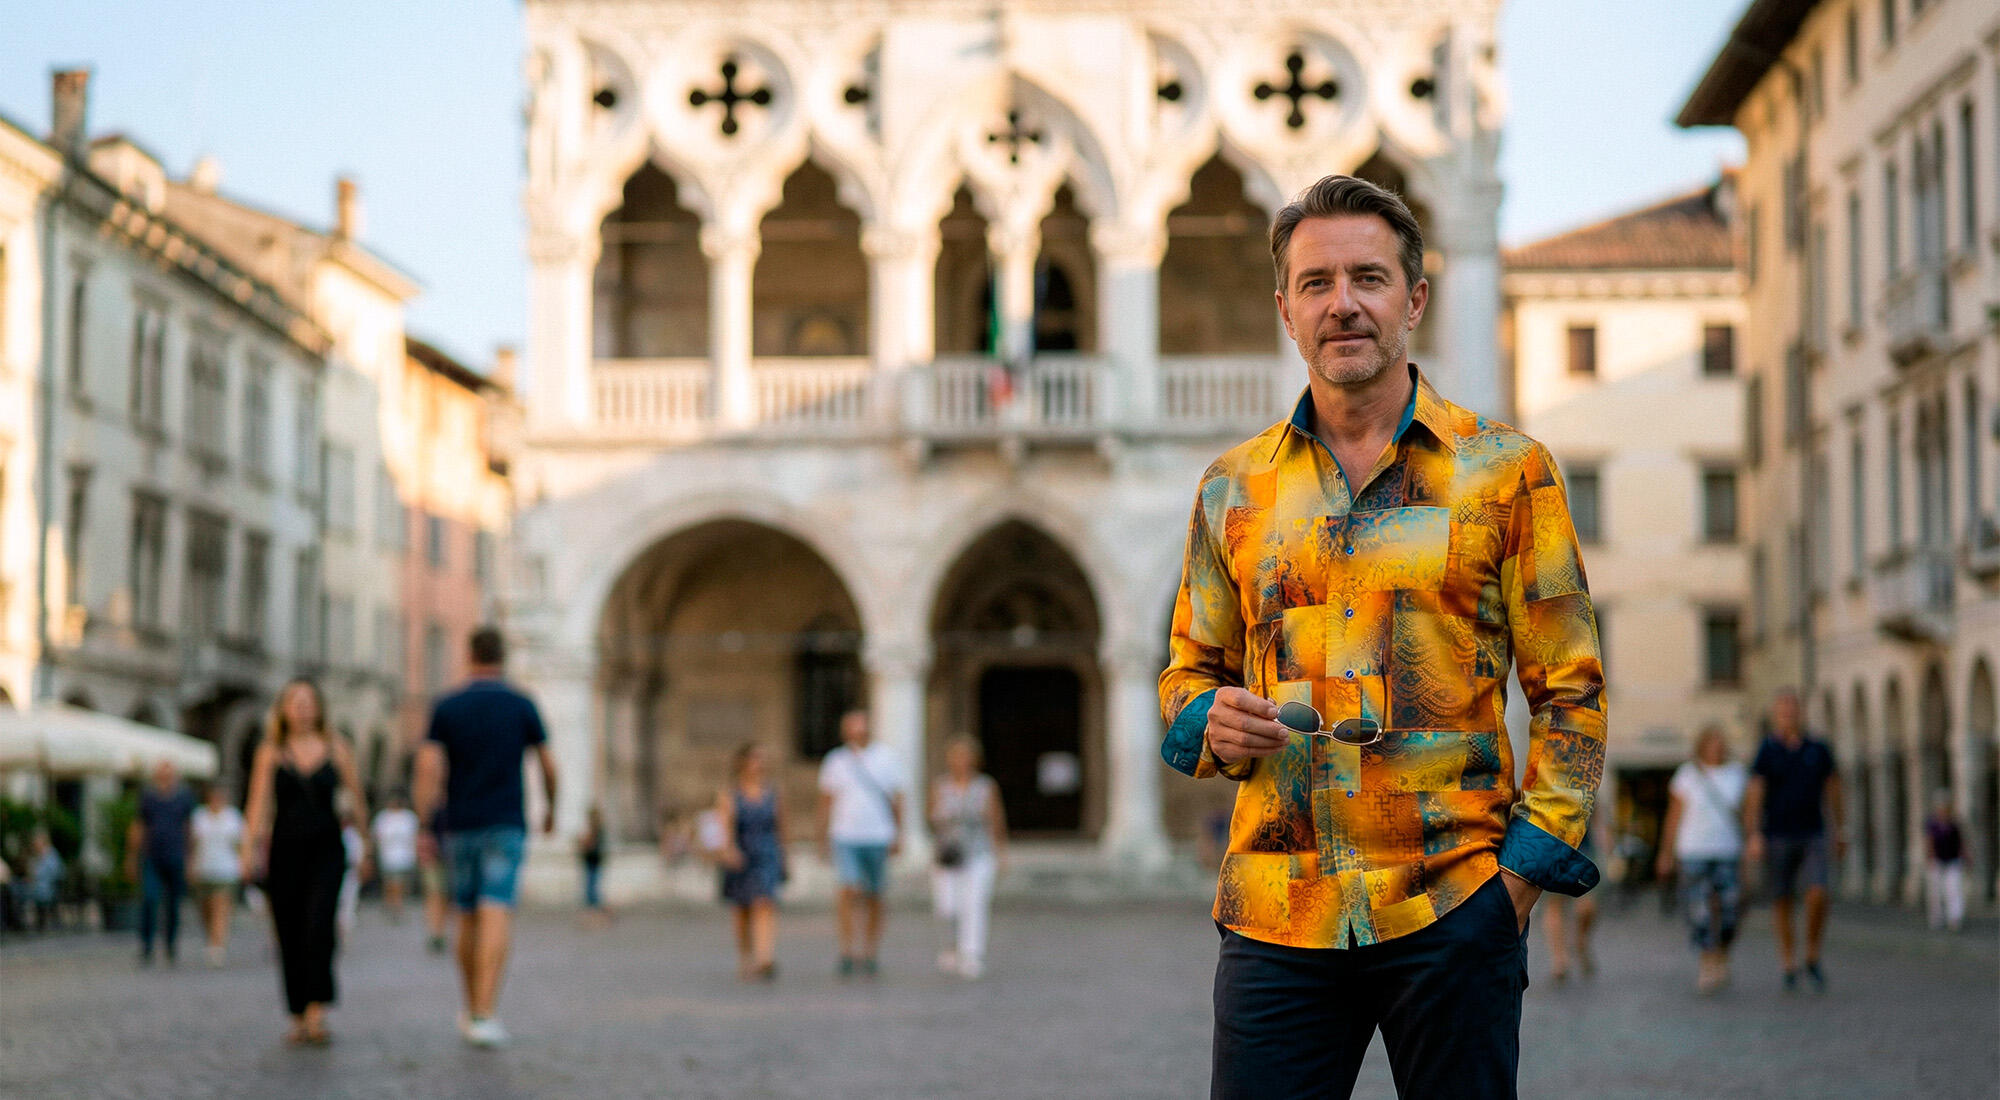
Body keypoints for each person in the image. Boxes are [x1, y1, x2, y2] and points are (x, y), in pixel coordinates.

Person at [1158, 174, 1607, 1100]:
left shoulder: (1507, 474)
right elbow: (1185, 676)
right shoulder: (1230, 489)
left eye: (1368, 277)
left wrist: (1515, 884)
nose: (1344, 304)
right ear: (1285, 310)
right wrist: (1205, 721)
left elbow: (1571, 691)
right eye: (1317, 284)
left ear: (1415, 298)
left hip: (1453, 906)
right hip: (1277, 912)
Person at [415, 625, 558, 1049]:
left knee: (467, 915)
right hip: (505, 821)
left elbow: (428, 769)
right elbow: (548, 765)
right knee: (497, 910)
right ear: (503, 657)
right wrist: (551, 807)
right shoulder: (521, 704)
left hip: (460, 823)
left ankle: (470, 1007)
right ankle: (486, 1011)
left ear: (469, 654)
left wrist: (426, 824)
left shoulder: (447, 706)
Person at [239, 679, 369, 1045]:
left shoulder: (337, 748)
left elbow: (357, 799)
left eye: (309, 701)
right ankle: (297, 1013)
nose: (302, 708)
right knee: (289, 931)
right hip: (285, 850)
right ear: (282, 708)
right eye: (295, 701)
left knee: (319, 927)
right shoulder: (270, 751)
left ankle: (317, 1011)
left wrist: (367, 845)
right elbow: (257, 804)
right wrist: (247, 851)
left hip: (327, 849)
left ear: (319, 707)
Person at [1742, 690, 1844, 993]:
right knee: (1782, 898)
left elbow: (1834, 789)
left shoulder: (1818, 748)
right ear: (1776, 713)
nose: (1788, 713)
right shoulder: (1767, 749)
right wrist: (1754, 834)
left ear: (1800, 712)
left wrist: (1841, 829)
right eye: (1782, 708)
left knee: (1818, 892)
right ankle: (1788, 960)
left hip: (1813, 831)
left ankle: (1812, 953)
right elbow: (1755, 794)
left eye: (1792, 708)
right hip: (1777, 834)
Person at [1656, 726, 1748, 994]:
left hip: (1727, 850)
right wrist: (1666, 853)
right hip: (1693, 850)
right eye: (1711, 742)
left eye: (1720, 742)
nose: (1716, 747)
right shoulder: (1687, 775)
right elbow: (1674, 817)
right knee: (1700, 911)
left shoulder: (1737, 774)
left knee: (1731, 907)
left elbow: (1747, 814)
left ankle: (1722, 953)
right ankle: (1708, 963)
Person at [817, 709, 904, 978]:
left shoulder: (887, 758)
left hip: (878, 835)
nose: (857, 731)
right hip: (845, 835)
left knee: (875, 894)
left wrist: (899, 833)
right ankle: (847, 949)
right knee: (848, 889)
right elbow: (826, 801)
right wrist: (822, 837)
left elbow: (898, 798)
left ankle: (870, 949)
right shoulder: (835, 761)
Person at [929, 735, 1006, 980]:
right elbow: (931, 817)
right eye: (957, 756)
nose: (962, 762)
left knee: (974, 903)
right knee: (948, 906)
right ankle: (951, 945)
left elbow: (995, 820)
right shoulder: (940, 786)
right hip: (948, 853)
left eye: (966, 756)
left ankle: (971, 952)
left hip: (978, 852)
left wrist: (1000, 851)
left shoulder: (985, 786)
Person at [717, 743, 785, 980]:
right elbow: (725, 826)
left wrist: (786, 855)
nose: (760, 764)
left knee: (765, 903)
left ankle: (765, 956)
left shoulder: (772, 793)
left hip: (766, 853)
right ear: (743, 763)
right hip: (742, 853)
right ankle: (746, 957)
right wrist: (728, 850)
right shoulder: (731, 795)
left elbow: (781, 826)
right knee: (742, 910)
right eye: (755, 759)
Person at [129, 760, 196, 965]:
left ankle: (170, 944)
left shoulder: (184, 797)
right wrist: (132, 856)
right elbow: (139, 825)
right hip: (152, 856)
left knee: (173, 903)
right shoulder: (148, 797)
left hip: (176, 855)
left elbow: (189, 828)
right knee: (149, 898)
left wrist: (191, 858)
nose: (165, 775)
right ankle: (147, 944)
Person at [189, 783, 245, 965]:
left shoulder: (233, 817)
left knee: (220, 906)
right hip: (203, 868)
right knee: (206, 909)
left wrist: (243, 863)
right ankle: (211, 937)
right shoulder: (200, 816)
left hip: (226, 869)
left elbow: (240, 844)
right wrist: (190, 865)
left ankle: (217, 945)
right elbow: (193, 843)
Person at [1541, 817, 1599, 984]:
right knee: (1554, 905)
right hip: (1551, 850)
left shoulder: (1588, 790)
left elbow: (1597, 815)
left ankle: (1580, 941)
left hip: (1583, 850)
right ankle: (1560, 960)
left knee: (1587, 907)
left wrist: (1606, 845)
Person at [370, 794, 421, 925]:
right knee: (390, 883)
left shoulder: (409, 817)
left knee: (400, 883)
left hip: (405, 857)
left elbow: (415, 836)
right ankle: (392, 904)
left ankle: (397, 906)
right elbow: (377, 836)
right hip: (388, 856)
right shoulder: (382, 817)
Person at [1923, 791, 1966, 933]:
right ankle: (1937, 918)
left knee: (1954, 889)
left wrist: (1965, 854)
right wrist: (1929, 856)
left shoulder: (1954, 823)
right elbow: (1929, 840)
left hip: (1953, 860)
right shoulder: (1932, 823)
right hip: (1937, 860)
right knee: (1935, 891)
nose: (1943, 810)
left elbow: (1961, 841)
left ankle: (1954, 918)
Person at [26, 830, 63, 932]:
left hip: (48, 886)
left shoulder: (51, 855)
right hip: (39, 885)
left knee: (38, 892)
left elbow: (55, 873)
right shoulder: (39, 856)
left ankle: (40, 923)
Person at [337, 813, 368, 938]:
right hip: (337, 871)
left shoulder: (352, 835)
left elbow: (358, 855)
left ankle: (344, 929)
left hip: (349, 872)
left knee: (348, 903)